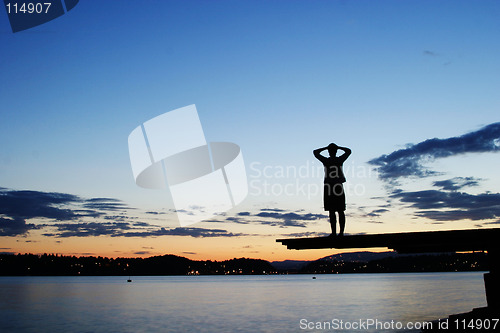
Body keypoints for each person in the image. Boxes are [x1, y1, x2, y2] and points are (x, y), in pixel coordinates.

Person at [313, 143, 351, 236]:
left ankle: (337, 233)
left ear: (330, 152)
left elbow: (315, 152)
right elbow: (348, 151)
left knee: (335, 210)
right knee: (337, 210)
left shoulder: (327, 160)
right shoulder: (338, 160)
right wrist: (337, 147)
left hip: (331, 186)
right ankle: (338, 233)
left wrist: (326, 148)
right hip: (334, 185)